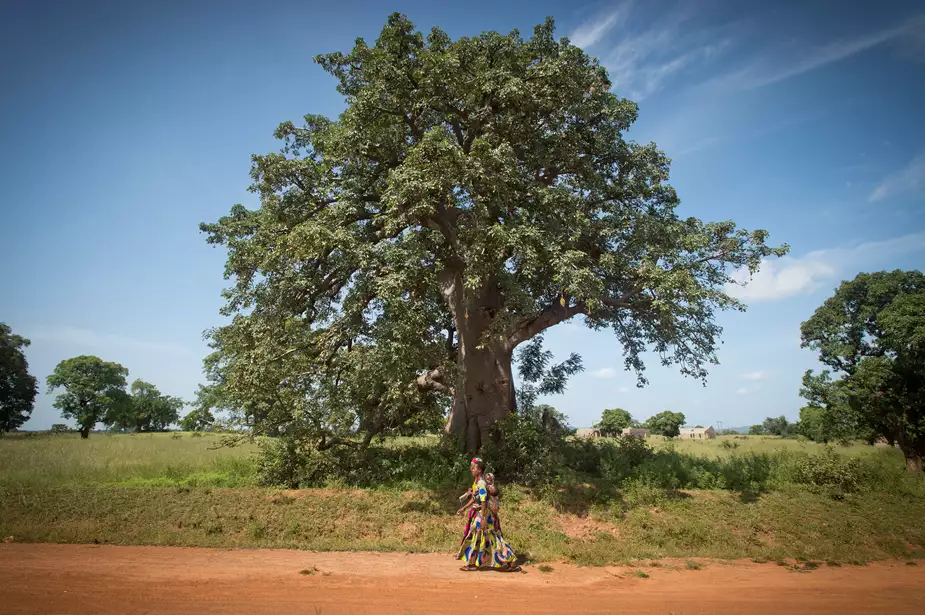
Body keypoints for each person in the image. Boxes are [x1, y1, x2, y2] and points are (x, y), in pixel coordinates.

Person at [457, 457, 519, 572]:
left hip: (483, 514)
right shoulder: (478, 482)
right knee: (488, 537)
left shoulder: (481, 482)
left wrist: (483, 517)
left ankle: (473, 564)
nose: (471, 469)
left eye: (474, 468)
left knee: (483, 536)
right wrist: (464, 508)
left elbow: (483, 500)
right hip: (483, 514)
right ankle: (510, 561)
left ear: (479, 470)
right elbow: (476, 499)